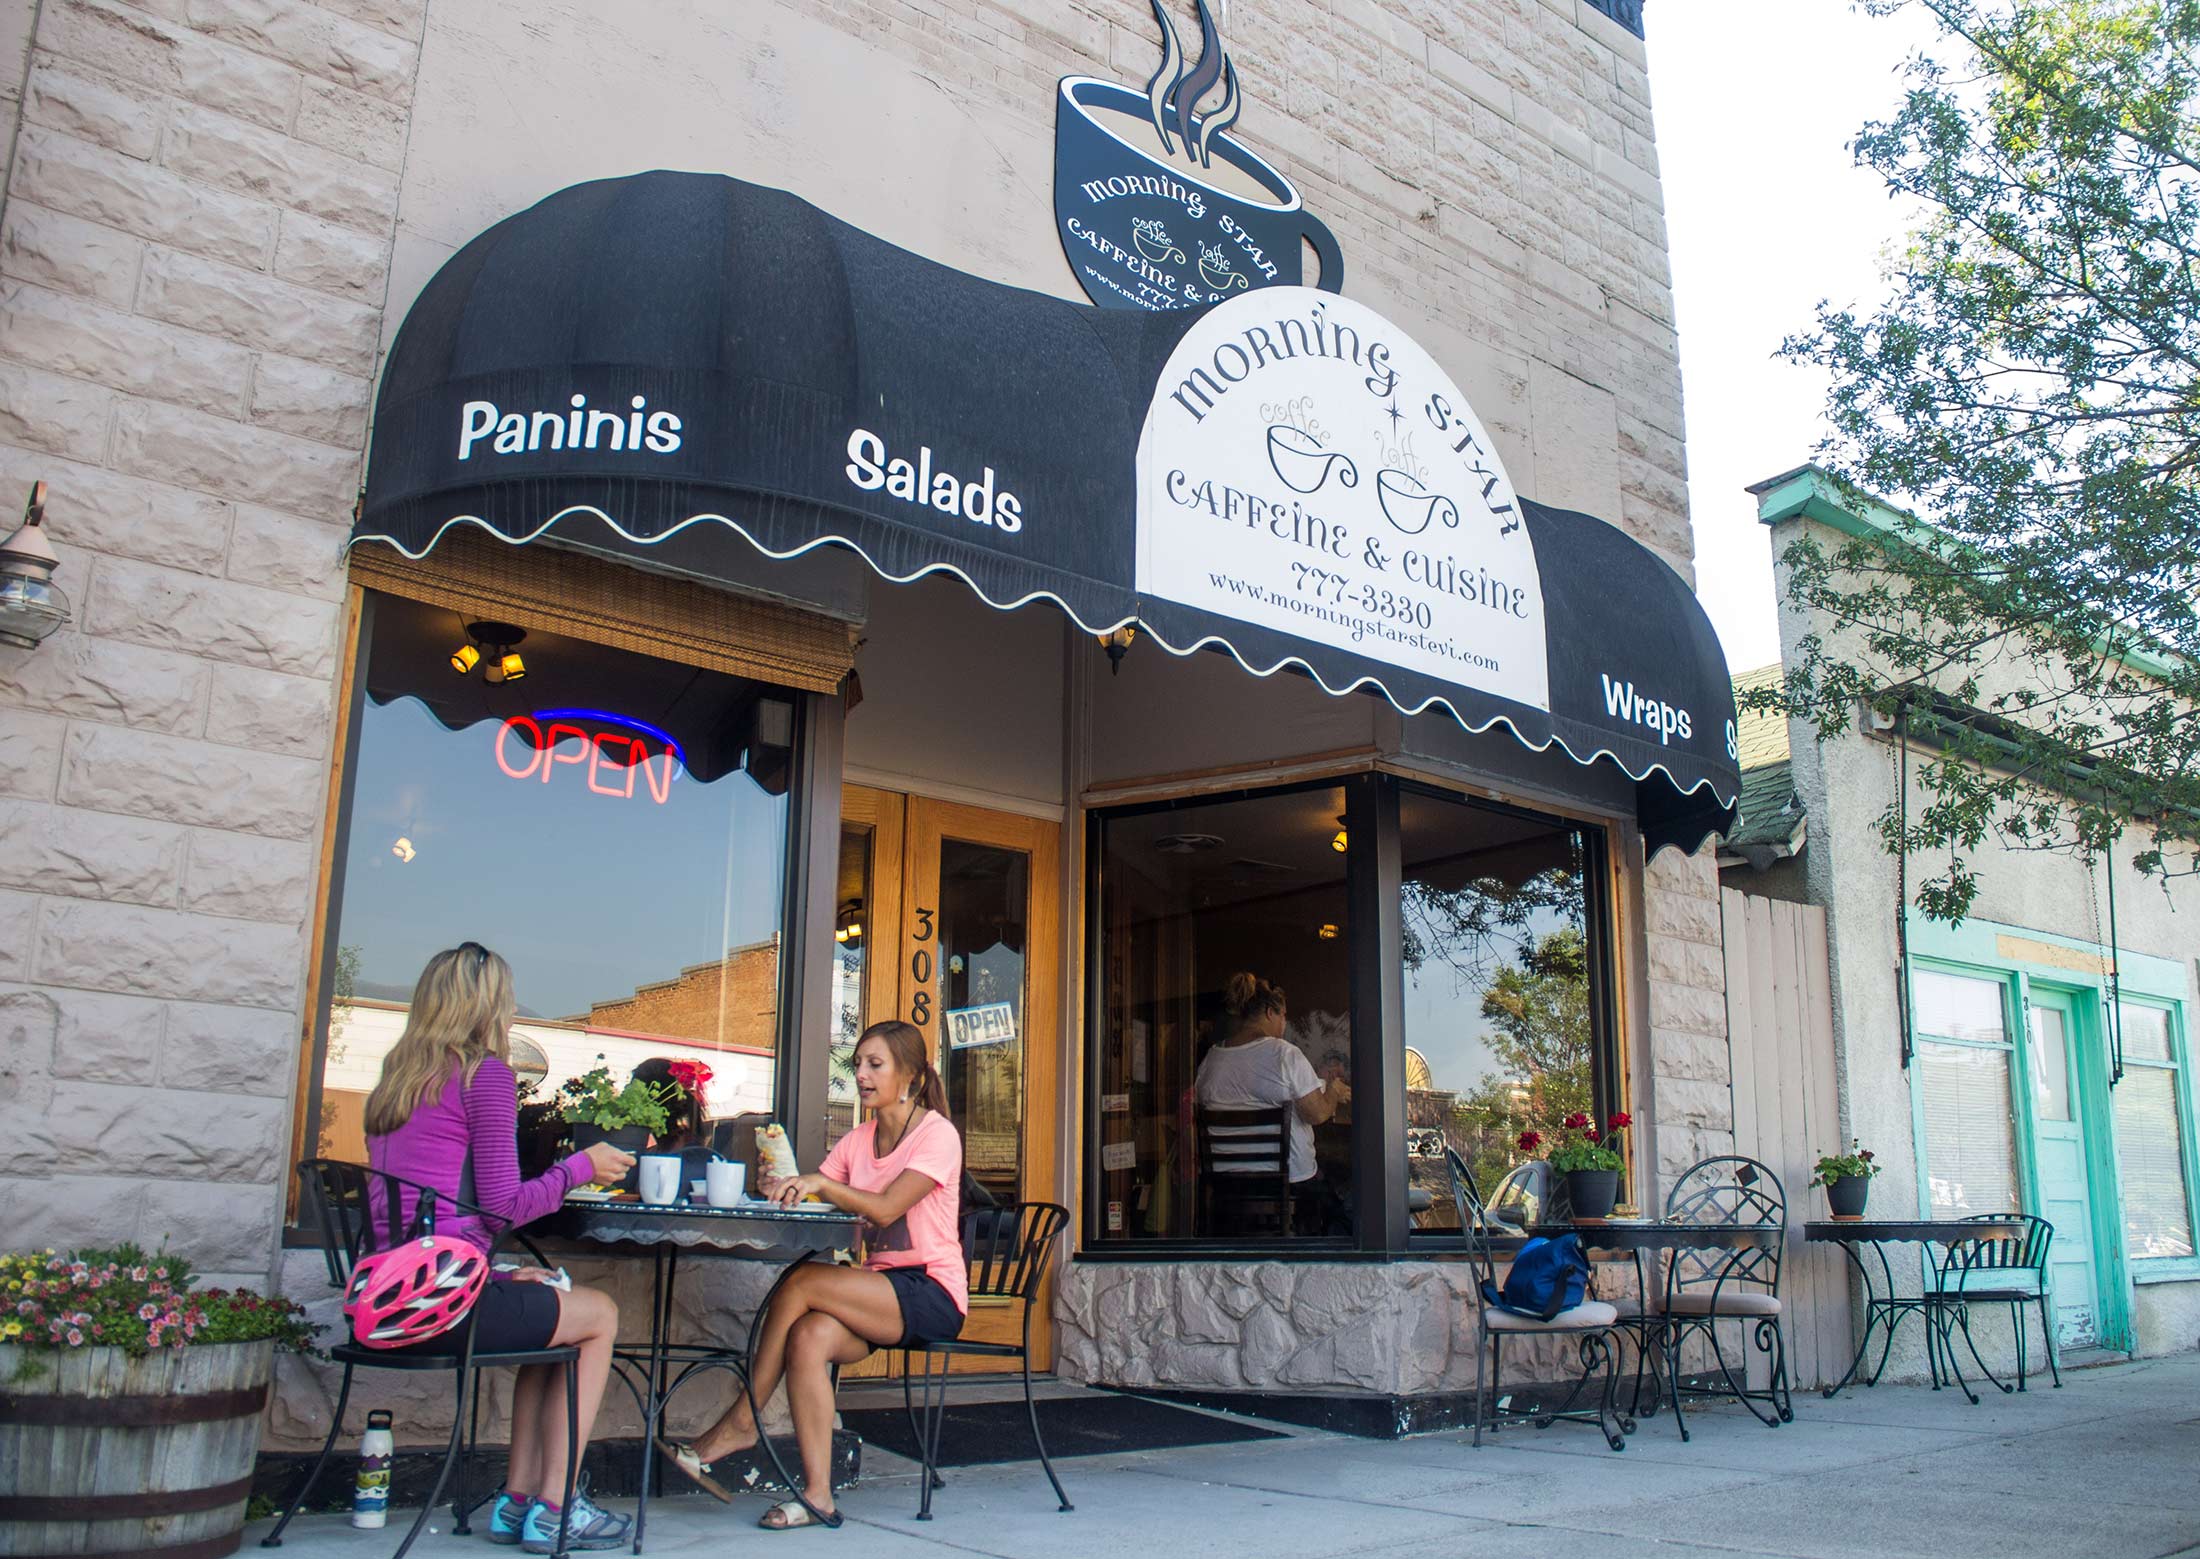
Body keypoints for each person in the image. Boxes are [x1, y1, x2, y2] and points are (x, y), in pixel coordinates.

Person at [362, 943, 637, 1553]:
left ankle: (517, 1504)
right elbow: (505, 1205)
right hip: (441, 1305)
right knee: (599, 1315)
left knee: (551, 1305)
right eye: (507, 1002)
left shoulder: (396, 1082)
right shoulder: (483, 1075)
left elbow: (427, 1216)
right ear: (488, 1007)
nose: (511, 1014)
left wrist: (499, 1271)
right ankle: (558, 1507)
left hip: (388, 1298)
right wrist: (580, 1167)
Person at [661, 1020, 966, 1530]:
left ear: (910, 1074)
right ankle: (819, 1495)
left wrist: (819, 1182)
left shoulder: (937, 1134)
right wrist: (781, 1186)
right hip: (876, 1291)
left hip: (930, 1292)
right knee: (807, 1337)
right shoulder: (859, 1139)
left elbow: (886, 1209)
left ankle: (741, 1422)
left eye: (875, 1065)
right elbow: (823, 1205)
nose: (862, 1076)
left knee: (801, 1283)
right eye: (858, 1065)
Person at [1195, 972, 1351, 1231]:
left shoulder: (1211, 1060)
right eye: (1283, 1015)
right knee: (1342, 1208)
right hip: (1288, 1185)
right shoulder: (1284, 1054)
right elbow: (1317, 1114)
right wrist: (1333, 1090)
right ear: (1270, 1012)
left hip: (1226, 1187)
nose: (1284, 1022)